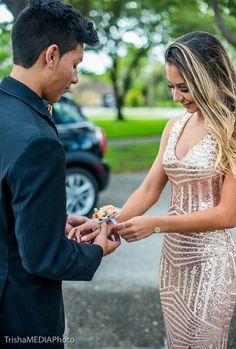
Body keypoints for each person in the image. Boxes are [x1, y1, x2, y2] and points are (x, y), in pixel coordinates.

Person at [74, 32, 236, 348]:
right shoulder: (174, 127)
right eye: (171, 87)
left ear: (209, 79)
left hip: (211, 264)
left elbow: (228, 214)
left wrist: (158, 224)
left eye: (184, 88)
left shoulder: (232, 128)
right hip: (174, 260)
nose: (176, 97)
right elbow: (149, 189)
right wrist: (106, 223)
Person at [0, 0, 120, 347]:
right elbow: (44, 257)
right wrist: (96, 250)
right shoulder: (39, 139)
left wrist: (48, 217)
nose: (76, 78)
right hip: (20, 317)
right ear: (51, 55)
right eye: (75, 63)